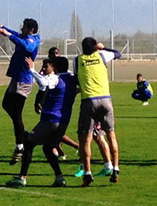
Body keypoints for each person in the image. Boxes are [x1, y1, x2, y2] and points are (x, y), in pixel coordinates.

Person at [7, 56, 76, 187]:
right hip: (64, 121)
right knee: (48, 148)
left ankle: (22, 177)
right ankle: (59, 178)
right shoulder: (72, 78)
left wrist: (32, 70)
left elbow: (44, 83)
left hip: (50, 119)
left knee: (28, 144)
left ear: (55, 67)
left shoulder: (57, 78)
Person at [0, 16, 41, 165]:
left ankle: (20, 146)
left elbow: (27, 47)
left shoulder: (33, 40)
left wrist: (9, 35)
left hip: (23, 81)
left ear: (31, 30)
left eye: (24, 27)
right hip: (16, 79)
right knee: (6, 104)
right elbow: (14, 34)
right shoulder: (24, 37)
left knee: (17, 114)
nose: (21, 29)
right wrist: (2, 26)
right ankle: (24, 133)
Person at [74, 37, 121, 186]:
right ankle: (115, 168)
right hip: (106, 100)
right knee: (111, 135)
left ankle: (87, 172)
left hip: (89, 100)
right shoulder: (102, 55)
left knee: (86, 139)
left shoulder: (78, 60)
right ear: (96, 47)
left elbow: (77, 79)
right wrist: (103, 47)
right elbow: (117, 53)